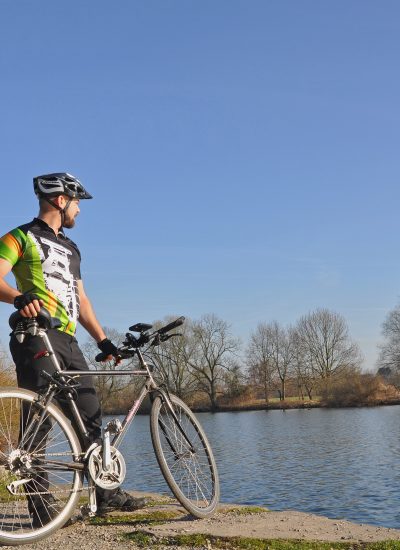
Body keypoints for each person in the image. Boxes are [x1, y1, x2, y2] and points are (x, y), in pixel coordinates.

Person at [0, 173, 148, 526]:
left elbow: (80, 300)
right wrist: (19, 298)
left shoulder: (71, 248)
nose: (79, 210)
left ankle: (106, 493)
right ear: (60, 200)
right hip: (36, 334)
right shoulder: (19, 237)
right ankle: (40, 509)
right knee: (40, 419)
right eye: (77, 202)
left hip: (68, 339)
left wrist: (103, 341)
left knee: (90, 411)